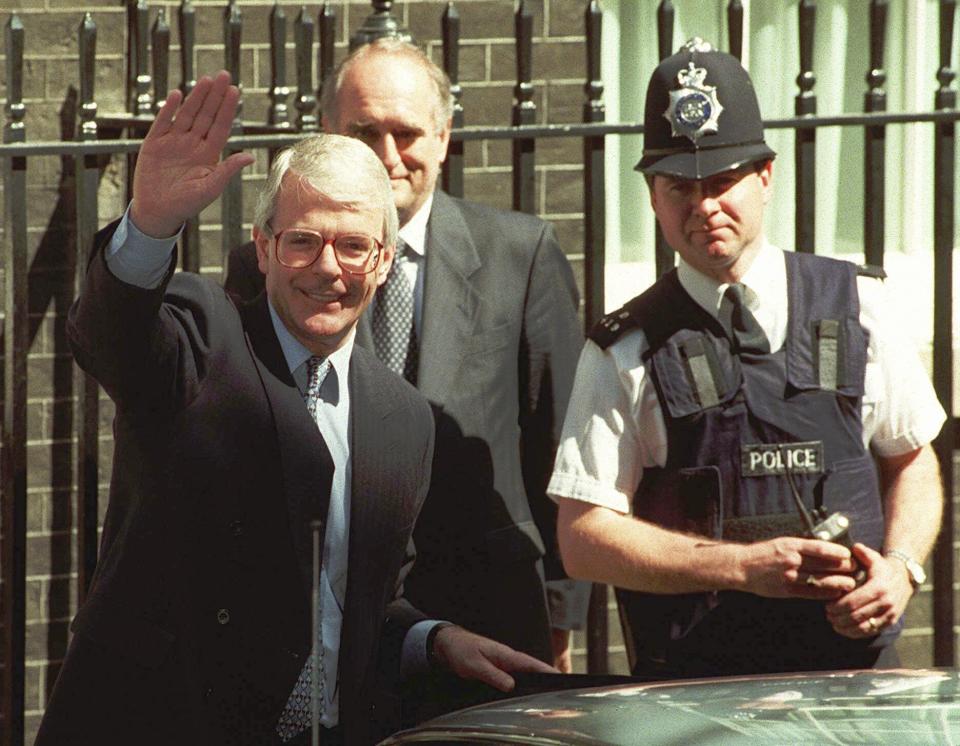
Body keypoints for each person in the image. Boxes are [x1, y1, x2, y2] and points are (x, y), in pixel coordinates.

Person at [36, 71, 552, 746]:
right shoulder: (203, 334)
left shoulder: (403, 418)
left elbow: (345, 594)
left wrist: (430, 637)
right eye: (303, 240)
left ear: (385, 260)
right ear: (264, 246)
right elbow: (110, 337)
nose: (327, 268)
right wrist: (150, 224)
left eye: (353, 246)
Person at [549, 39, 946, 679]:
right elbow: (584, 536)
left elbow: (913, 459)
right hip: (701, 696)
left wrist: (901, 568)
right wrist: (740, 566)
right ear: (652, 196)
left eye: (724, 181)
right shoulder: (625, 348)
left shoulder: (858, 306)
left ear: (765, 175)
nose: (704, 206)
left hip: (851, 685)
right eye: (680, 186)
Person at [225, 39, 589, 681]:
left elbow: (559, 448)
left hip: (491, 615)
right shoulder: (278, 264)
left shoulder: (521, 254)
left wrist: (563, 615)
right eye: (365, 131)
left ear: (444, 138)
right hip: (340, 623)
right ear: (329, 132)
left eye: (407, 132)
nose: (388, 155)